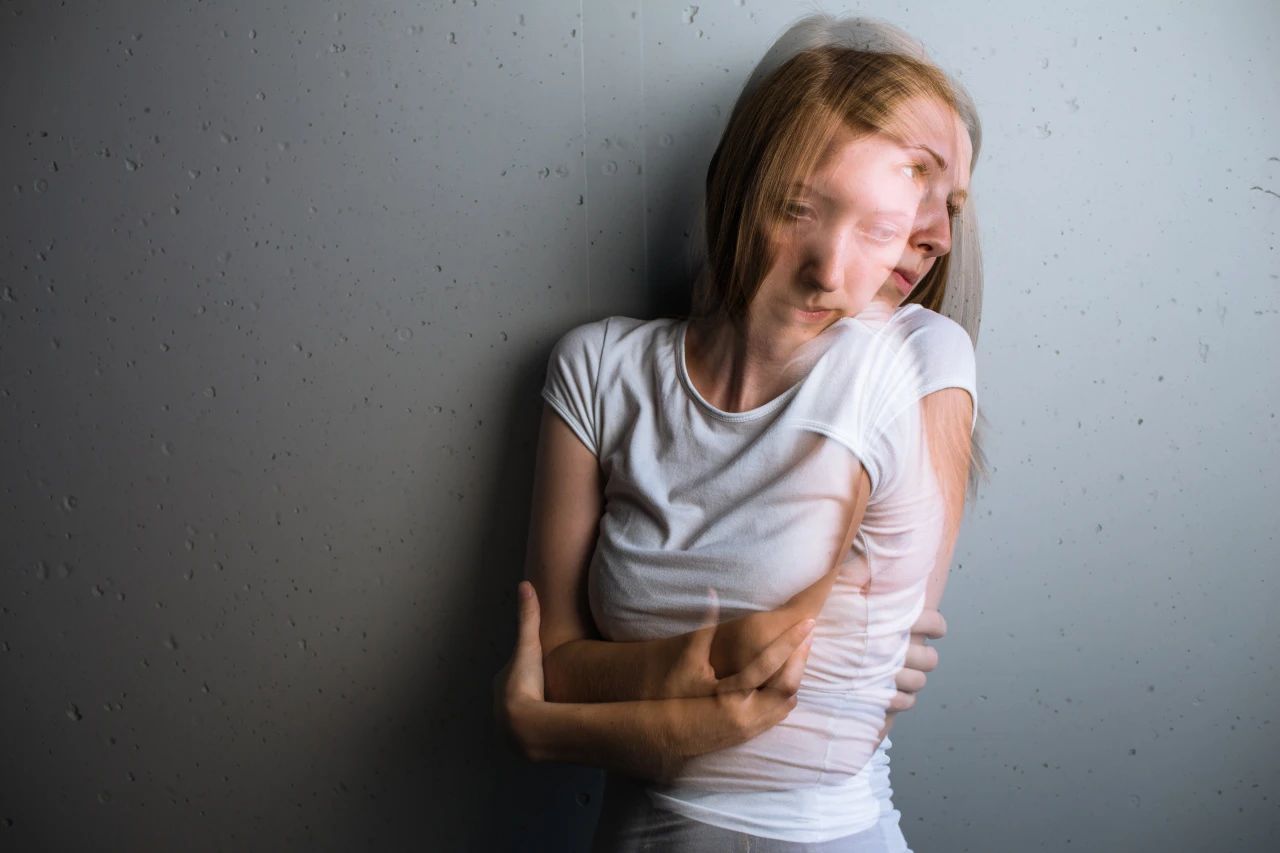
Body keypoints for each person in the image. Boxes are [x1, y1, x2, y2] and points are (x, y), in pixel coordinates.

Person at [494, 17, 982, 852]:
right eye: (902, 184)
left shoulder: (917, 362)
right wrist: (693, 673)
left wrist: (557, 727)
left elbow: (824, 705)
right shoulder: (598, 368)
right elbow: (562, 660)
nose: (929, 233)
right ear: (749, 187)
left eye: (947, 204)